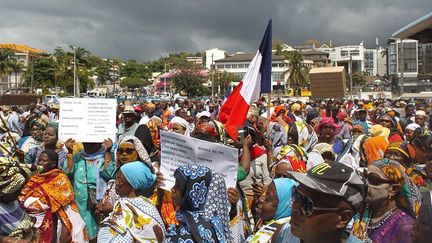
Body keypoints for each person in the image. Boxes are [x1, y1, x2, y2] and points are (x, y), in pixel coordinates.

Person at [274, 162, 366, 243]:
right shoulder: (282, 235)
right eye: (296, 194)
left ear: (343, 218)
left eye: (307, 203)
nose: (294, 207)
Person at [19, 150, 87, 242]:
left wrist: (65, 231)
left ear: (53, 163)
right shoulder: (35, 177)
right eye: (39, 160)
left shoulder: (60, 179)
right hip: (29, 226)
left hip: (50, 226)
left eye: (44, 161)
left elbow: (66, 210)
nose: (40, 163)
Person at [353, 158, 420, 243]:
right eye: (365, 176)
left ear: (393, 190)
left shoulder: (404, 227)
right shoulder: (359, 208)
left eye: (373, 179)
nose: (365, 183)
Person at [98, 162, 166, 242]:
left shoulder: (146, 209)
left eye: (119, 180)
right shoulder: (143, 205)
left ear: (133, 185)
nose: (116, 183)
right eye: (116, 178)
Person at [64, 138, 116, 241]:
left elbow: (109, 173)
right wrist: (70, 152)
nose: (88, 145)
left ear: (99, 143)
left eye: (91, 144)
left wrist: (107, 152)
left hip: (98, 203)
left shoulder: (106, 155)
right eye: (85, 143)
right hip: (80, 203)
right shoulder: (78, 156)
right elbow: (67, 173)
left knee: (98, 233)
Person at [166, 164, 227, 242]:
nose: (172, 189)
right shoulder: (213, 220)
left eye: (178, 186)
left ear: (191, 190)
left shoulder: (187, 230)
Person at [0, 158, 40, 242]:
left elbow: (22, 219)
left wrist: (34, 230)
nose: (19, 194)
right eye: (15, 192)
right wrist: (6, 240)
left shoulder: (13, 200)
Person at [246, 178, 297, 242]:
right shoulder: (264, 222)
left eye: (267, 199)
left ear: (284, 206)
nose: (261, 199)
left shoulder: (270, 235)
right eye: (264, 194)